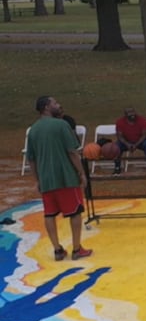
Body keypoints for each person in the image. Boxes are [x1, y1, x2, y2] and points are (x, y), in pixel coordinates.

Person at [25, 96, 92, 261]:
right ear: (47, 107)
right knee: (75, 212)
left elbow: (31, 159)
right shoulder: (61, 125)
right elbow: (72, 152)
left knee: (49, 214)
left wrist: (37, 179)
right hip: (65, 177)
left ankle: (57, 249)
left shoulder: (33, 130)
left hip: (46, 179)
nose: (59, 105)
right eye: (55, 103)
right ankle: (77, 249)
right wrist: (82, 173)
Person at [114, 106, 146, 174]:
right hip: (126, 142)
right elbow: (120, 136)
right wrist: (127, 144)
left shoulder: (142, 120)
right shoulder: (120, 122)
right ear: (125, 114)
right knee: (116, 146)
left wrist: (135, 145)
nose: (132, 114)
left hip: (140, 141)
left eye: (133, 111)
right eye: (129, 112)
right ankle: (117, 167)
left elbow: (145, 135)